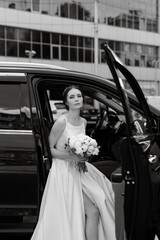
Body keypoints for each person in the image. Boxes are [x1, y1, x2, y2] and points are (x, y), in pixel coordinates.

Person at [31, 85, 117, 240]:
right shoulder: (61, 122)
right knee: (93, 211)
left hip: (80, 169)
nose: (76, 99)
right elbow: (49, 149)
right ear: (66, 102)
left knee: (103, 197)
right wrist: (72, 157)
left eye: (79, 96)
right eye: (72, 97)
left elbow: (80, 147)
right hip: (65, 172)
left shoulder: (83, 121)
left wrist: (85, 154)